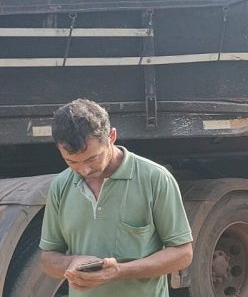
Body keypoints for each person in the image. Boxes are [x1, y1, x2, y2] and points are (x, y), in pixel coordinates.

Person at [39, 99, 193, 296]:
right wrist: (70, 263)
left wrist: (119, 271)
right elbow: (47, 258)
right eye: (71, 161)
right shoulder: (60, 185)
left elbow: (183, 254)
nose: (84, 170)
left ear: (112, 136)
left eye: (92, 158)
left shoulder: (155, 178)